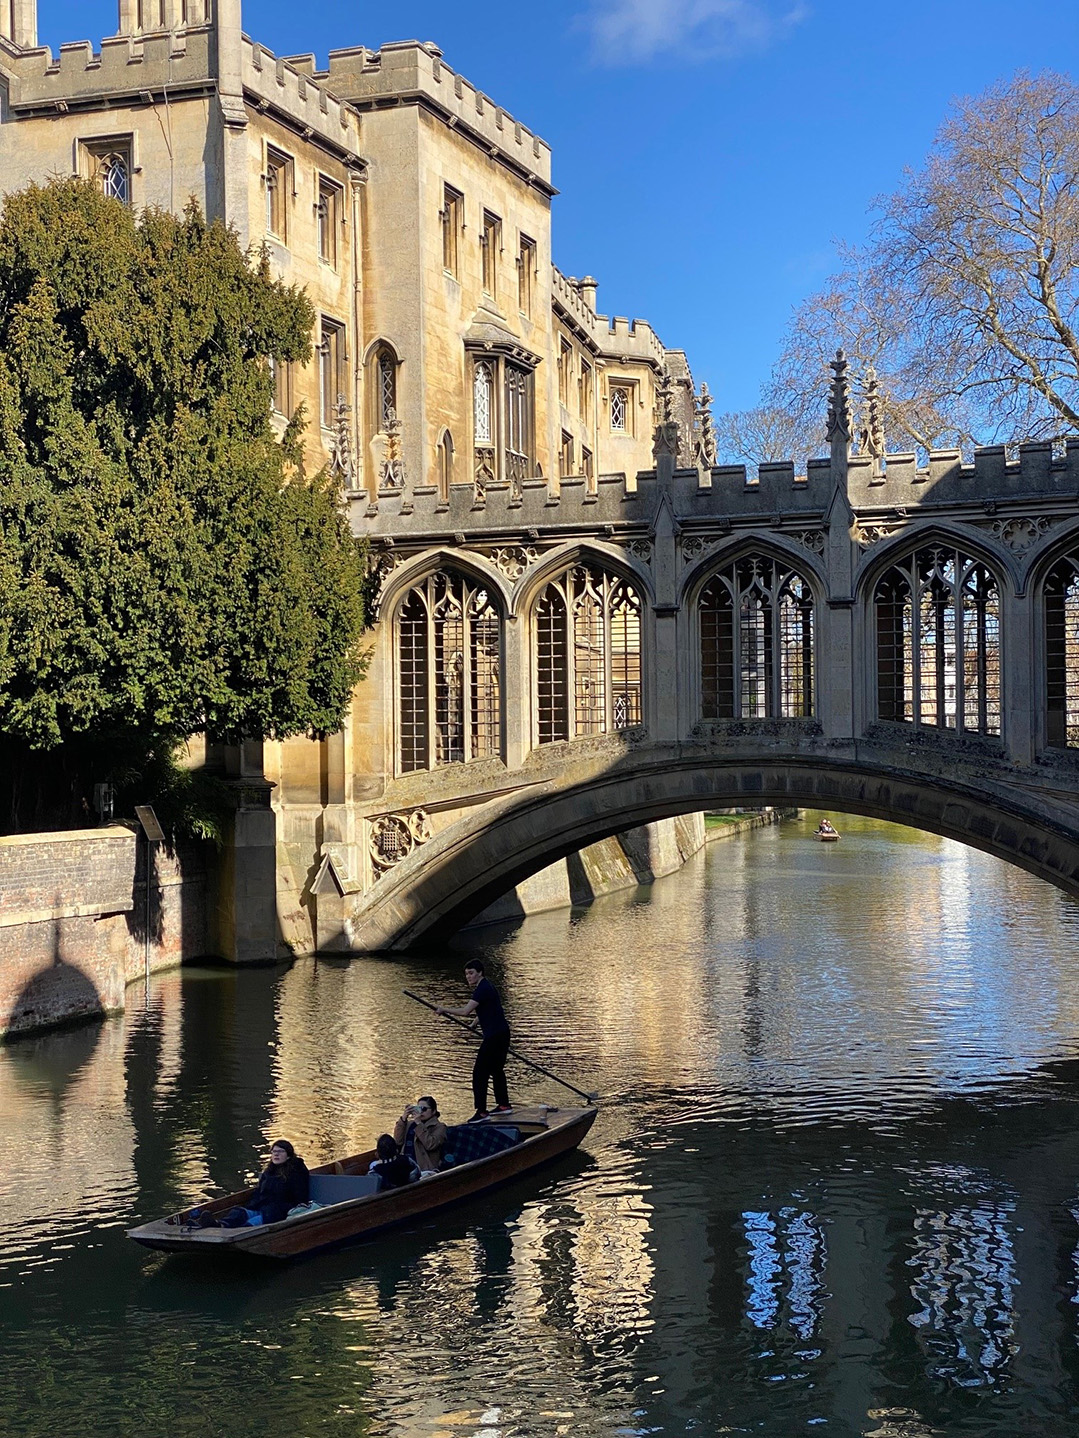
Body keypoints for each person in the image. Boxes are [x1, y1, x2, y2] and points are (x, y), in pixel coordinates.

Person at [438, 960, 512, 1123]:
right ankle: (504, 1106)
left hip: (494, 1036)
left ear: (480, 973)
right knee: (496, 1070)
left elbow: (465, 1011)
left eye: (471, 973)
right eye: (466, 974)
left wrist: (444, 1009)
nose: (468, 977)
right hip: (502, 1033)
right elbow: (486, 1010)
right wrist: (473, 1024)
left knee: (479, 1073)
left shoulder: (482, 989)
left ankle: (482, 1112)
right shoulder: (488, 987)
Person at [194, 1139, 310, 1228]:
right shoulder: (269, 1172)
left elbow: (300, 1197)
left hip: (279, 1211)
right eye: (274, 1151)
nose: (276, 1154)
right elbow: (259, 1192)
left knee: (252, 1223)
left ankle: (237, 1234)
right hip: (262, 1207)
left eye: (280, 1152)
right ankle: (218, 1225)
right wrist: (252, 1204)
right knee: (238, 1213)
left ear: (288, 1155)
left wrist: (283, 1208)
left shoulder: (296, 1171)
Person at [393, 1095, 448, 1176]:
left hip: (424, 1168)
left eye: (424, 1109)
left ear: (433, 1111)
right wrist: (403, 1119)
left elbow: (430, 1144)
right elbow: (398, 1141)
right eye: (418, 1108)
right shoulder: (410, 1124)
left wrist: (419, 1123)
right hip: (405, 1164)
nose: (421, 1112)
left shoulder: (440, 1127)